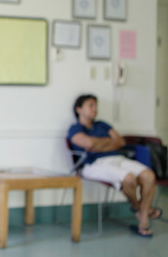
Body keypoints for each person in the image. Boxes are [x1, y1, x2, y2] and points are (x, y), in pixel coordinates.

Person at [68, 94, 161, 237]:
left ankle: (142, 216)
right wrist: (108, 143)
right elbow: (89, 144)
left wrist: (98, 145)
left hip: (117, 158)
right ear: (79, 109)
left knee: (148, 175)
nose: (95, 109)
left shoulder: (102, 125)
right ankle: (140, 210)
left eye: (96, 105)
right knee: (129, 178)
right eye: (90, 105)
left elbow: (121, 142)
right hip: (93, 164)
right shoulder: (75, 129)